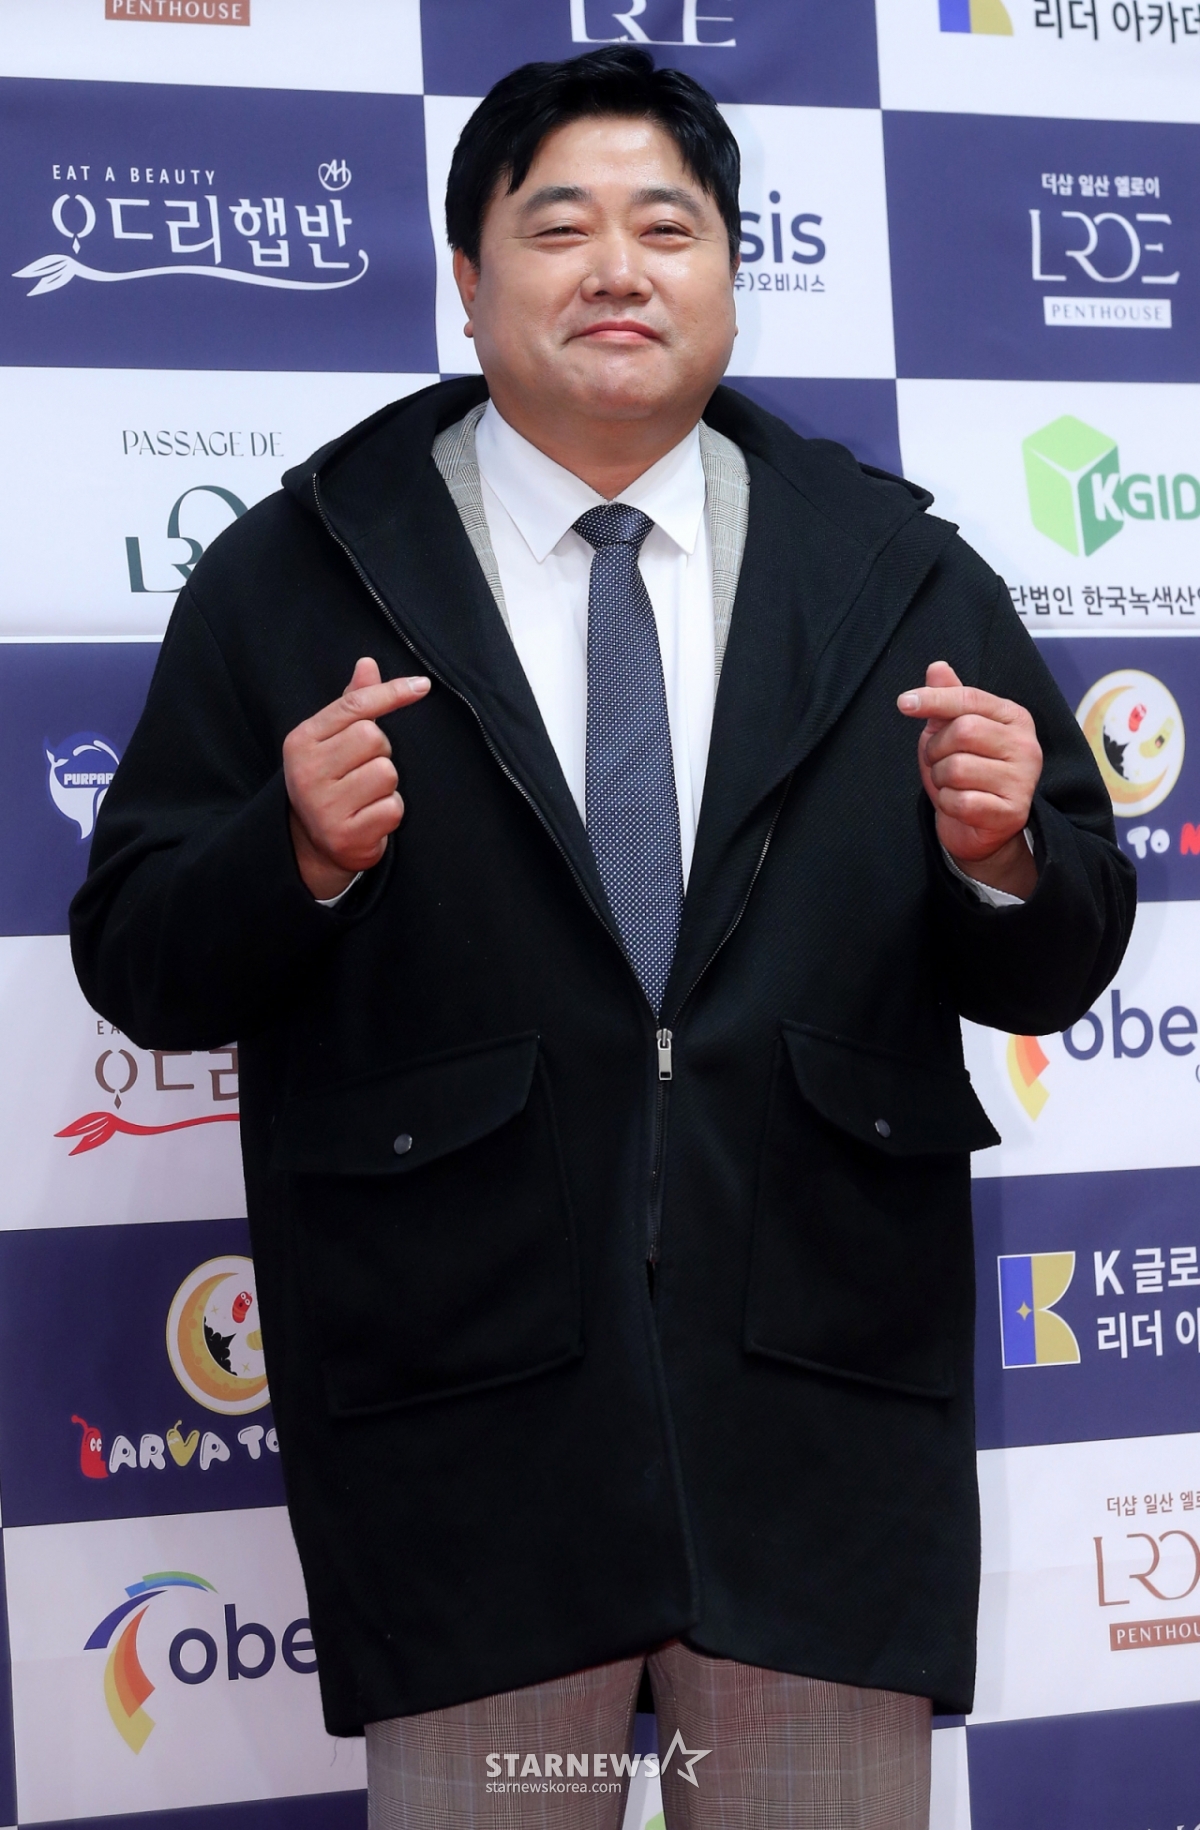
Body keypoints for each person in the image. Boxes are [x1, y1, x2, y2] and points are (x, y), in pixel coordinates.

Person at [70, 45, 1134, 1830]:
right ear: (467, 278)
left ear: (732, 272)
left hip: (814, 1439)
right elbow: (137, 951)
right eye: (559, 227)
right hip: (471, 1441)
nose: (618, 268)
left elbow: (1059, 950)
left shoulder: (891, 571)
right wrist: (292, 853)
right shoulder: (302, 570)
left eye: (668, 225)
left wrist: (1010, 851)